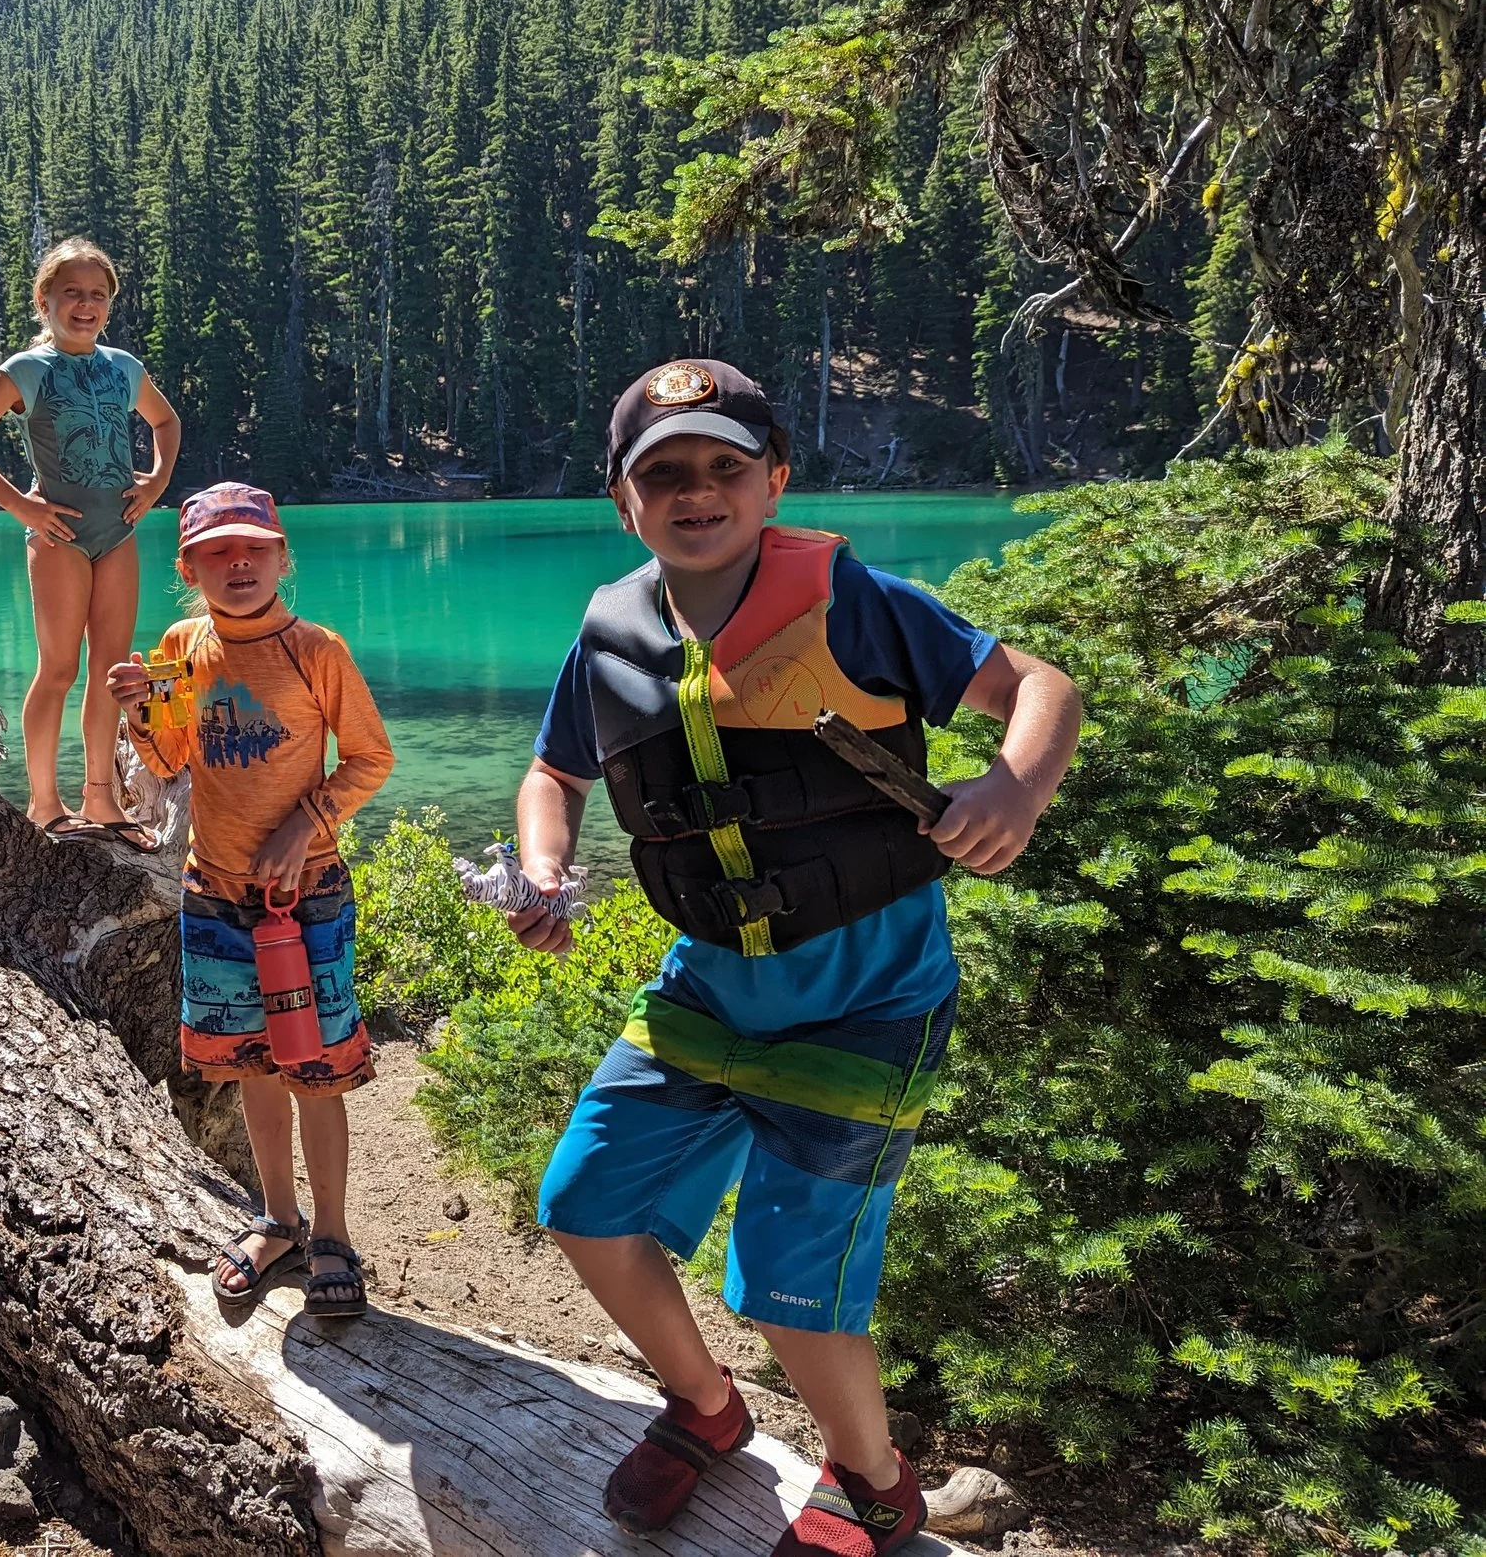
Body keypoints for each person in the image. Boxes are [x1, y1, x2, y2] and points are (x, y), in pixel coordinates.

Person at [492, 359, 1081, 1557]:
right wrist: (543, 863)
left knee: (786, 1285)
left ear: (774, 483)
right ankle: (705, 1410)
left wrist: (1013, 785)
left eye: (723, 467)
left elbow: (1040, 687)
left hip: (866, 996)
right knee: (583, 1205)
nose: (694, 492)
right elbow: (552, 771)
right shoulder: (610, 631)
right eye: (663, 473)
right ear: (623, 499)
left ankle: (873, 1483)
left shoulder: (855, 602)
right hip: (708, 985)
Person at [104, 482, 395, 1319]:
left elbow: (370, 760)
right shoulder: (180, 644)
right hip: (216, 893)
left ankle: (333, 1234)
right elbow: (167, 760)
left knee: (317, 1070)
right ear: (188, 566)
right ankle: (278, 1219)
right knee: (251, 1068)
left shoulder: (318, 651)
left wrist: (306, 825)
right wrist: (136, 714)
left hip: (308, 895)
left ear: (281, 557)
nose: (239, 564)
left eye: (254, 549)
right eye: (217, 553)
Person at [0, 238, 181, 843]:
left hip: (119, 534)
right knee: (58, 669)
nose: (85, 304)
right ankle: (44, 803)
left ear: (110, 304)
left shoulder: (124, 368)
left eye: (97, 294)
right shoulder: (28, 370)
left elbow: (166, 421)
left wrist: (155, 485)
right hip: (60, 538)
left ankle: (101, 799)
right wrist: (22, 505)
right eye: (71, 292)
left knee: (111, 669)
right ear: (43, 299)